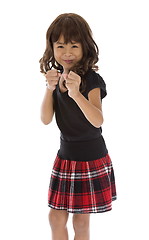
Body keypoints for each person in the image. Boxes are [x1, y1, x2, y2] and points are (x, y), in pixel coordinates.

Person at [40, 13, 117, 240]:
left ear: (85, 48)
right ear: (52, 48)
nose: (67, 52)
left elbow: (97, 120)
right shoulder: (56, 79)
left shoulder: (92, 80)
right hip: (65, 157)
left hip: (90, 157)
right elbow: (45, 119)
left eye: (74, 45)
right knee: (55, 217)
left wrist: (76, 94)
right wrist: (49, 89)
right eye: (60, 45)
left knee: (81, 221)